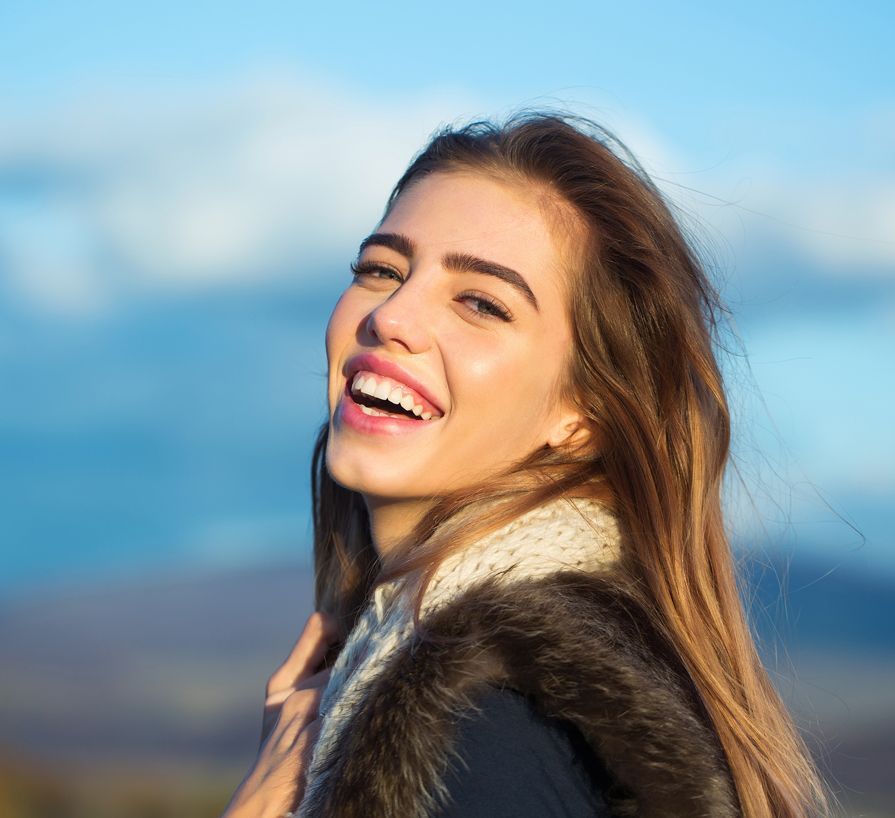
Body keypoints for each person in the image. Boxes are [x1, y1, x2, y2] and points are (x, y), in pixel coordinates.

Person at [221, 112, 831, 818]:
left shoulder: (488, 734)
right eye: (381, 269)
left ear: (583, 413)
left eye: (481, 302)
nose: (392, 315)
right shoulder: (422, 685)